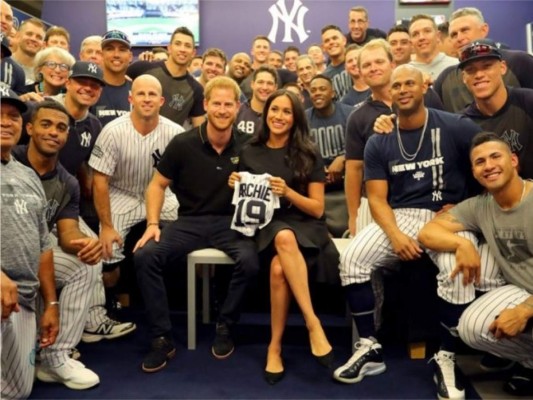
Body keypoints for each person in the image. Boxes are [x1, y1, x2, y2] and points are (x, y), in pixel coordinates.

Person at [333, 65, 501, 400]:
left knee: (457, 271)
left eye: (410, 82)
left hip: (448, 217)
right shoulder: (379, 140)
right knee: (351, 258)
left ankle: (447, 356)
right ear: (389, 93)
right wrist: (395, 235)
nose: (403, 89)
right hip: (400, 214)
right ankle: (369, 346)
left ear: (424, 86)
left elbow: (485, 165)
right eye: (397, 86)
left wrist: (467, 206)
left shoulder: (454, 126)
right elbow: (377, 199)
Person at [133, 76, 259, 372]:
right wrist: (153, 223)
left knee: (251, 261)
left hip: (231, 223)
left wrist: (249, 182)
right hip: (189, 221)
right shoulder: (183, 142)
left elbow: (265, 184)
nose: (222, 109)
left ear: (238, 108)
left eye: (229, 104)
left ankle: (225, 325)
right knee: (145, 255)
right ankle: (162, 336)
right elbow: (156, 185)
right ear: (206, 105)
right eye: (216, 103)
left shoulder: (250, 144)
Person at [228, 88, 337, 384]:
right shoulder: (249, 150)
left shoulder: (309, 153)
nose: (279, 116)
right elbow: (243, 201)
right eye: (274, 110)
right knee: (284, 238)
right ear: (266, 113)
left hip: (305, 223)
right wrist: (235, 184)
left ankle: (274, 347)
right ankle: (313, 323)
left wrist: (288, 192)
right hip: (266, 225)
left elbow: (316, 209)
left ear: (295, 118)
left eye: (286, 111)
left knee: (279, 269)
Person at [418, 132, 533, 397]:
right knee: (471, 326)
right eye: (480, 162)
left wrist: (526, 310)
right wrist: (463, 245)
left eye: (496, 156)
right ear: (474, 171)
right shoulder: (481, 206)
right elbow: (427, 233)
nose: (489, 165)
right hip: (523, 288)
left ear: (514, 160)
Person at [12, 100, 101, 390]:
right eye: (46, 124)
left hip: (32, 250)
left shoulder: (67, 182)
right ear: (30, 128)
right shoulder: (9, 159)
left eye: (61, 128)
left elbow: (66, 233)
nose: (53, 132)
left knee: (85, 266)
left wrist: (87, 244)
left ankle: (55, 356)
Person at [89, 75, 183, 317]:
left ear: (161, 100)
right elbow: (99, 181)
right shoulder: (112, 130)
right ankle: (111, 305)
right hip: (123, 194)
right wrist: (107, 226)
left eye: (152, 94)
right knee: (108, 250)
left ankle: (189, 300)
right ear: (131, 98)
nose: (147, 99)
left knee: (191, 234)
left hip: (164, 196)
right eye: (141, 93)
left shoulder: (175, 132)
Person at [344, 39, 443, 237]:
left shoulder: (426, 96)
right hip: (374, 202)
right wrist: (353, 215)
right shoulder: (357, 117)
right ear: (361, 73)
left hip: (426, 197)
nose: (373, 68)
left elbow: (444, 143)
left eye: (379, 62)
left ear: (392, 64)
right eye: (367, 65)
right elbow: (354, 169)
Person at [1, 88, 58, 400]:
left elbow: (43, 244)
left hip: (22, 299)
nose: (6, 122)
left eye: (12, 116)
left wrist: (50, 304)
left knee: (18, 391)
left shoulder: (27, 175)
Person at [434, 7, 533, 113]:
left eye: (465, 30)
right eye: (454, 35)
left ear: (484, 30)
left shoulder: (519, 62)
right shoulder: (445, 79)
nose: (459, 38)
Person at [458, 39, 533, 179]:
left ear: (503, 68)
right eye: (470, 70)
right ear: (464, 77)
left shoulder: (529, 102)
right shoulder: (460, 124)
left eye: (486, 66)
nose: (479, 75)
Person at [305, 74, 354, 237]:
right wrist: (317, 171)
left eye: (322, 89)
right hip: (317, 184)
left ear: (332, 93)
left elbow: (364, 148)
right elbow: (298, 152)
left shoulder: (350, 113)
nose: (317, 93)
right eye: (313, 90)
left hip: (348, 181)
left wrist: (343, 158)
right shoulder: (304, 119)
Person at [127, 26, 205, 127]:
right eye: (178, 44)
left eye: (187, 46)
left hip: (171, 142)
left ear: (193, 53)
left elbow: (199, 131)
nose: (182, 49)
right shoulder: (143, 68)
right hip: (134, 138)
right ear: (169, 48)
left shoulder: (196, 90)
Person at [90, 30, 133, 127]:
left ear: (130, 57)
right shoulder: (90, 89)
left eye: (122, 50)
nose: (116, 55)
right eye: (110, 49)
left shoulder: (136, 91)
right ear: (101, 55)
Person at [408, 15, 458, 82]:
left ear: (438, 36)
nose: (421, 37)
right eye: (415, 34)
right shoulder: (405, 73)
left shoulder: (456, 66)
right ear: (411, 42)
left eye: (427, 31)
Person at [235, 65, 277, 136]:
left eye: (269, 83)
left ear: (275, 87)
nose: (265, 87)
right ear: (252, 84)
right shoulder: (237, 112)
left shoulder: (278, 116)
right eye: (260, 82)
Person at [11, 18, 46, 85]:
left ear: (43, 45)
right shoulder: (2, 61)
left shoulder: (42, 75)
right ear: (18, 36)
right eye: (29, 34)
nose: (33, 39)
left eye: (39, 37)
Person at [321, 25, 351, 100]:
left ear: (344, 40)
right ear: (323, 47)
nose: (331, 42)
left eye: (335, 38)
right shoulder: (325, 76)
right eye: (327, 41)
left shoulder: (358, 62)